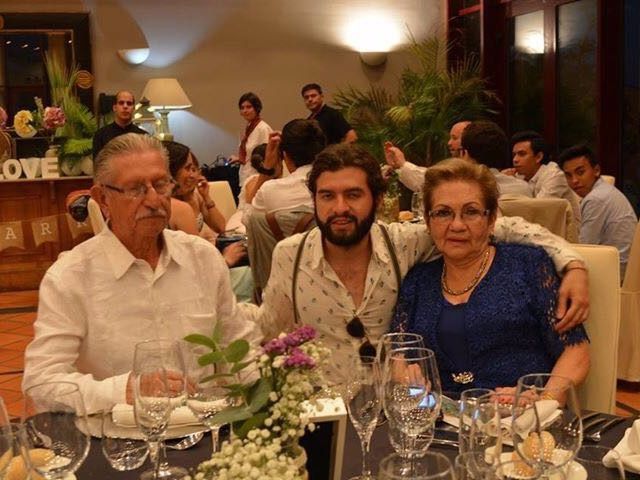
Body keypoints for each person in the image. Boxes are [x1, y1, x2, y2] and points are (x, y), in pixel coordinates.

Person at [250, 143, 589, 384]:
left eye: (353, 195)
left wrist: (573, 264)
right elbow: (269, 332)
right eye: (327, 196)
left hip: (395, 411)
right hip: (325, 412)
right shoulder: (290, 256)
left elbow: (500, 226)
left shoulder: (405, 246)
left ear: (378, 199)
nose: (340, 208)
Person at [22, 133, 261, 413]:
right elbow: (41, 382)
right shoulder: (71, 277)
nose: (153, 200)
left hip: (205, 434)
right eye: (135, 189)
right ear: (103, 198)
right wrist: (123, 390)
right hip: (116, 444)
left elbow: (240, 345)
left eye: (160, 184)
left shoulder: (203, 259)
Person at [391, 158, 589, 394]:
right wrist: (404, 375)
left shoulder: (528, 266)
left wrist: (545, 398)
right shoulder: (418, 280)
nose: (456, 225)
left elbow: (577, 350)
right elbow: (397, 353)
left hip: (522, 416)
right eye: (443, 213)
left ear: (492, 219)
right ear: (427, 220)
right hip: (440, 420)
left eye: (471, 212)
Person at [385, 121, 532, 197]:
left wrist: (401, 165)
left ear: (465, 153)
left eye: (455, 138)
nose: (449, 143)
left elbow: (429, 180)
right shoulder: (523, 188)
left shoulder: (463, 190)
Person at [560, 144, 637, 279]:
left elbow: (585, 249)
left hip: (617, 273)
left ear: (596, 170)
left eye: (580, 172)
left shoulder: (596, 199)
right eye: (568, 175)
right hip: (627, 266)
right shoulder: (604, 190)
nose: (574, 180)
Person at [242, 119, 325, 223]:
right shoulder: (335, 187)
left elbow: (247, 220)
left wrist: (266, 170)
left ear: (284, 155)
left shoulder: (269, 190)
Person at [506, 130, 580, 221]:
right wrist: (507, 181)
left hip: (568, 232)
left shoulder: (555, 175)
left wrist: (512, 183)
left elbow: (537, 210)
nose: (515, 160)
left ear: (538, 157)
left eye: (522, 154)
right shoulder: (518, 176)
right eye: (514, 155)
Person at [231, 92, 273, 185]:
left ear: (256, 108)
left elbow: (267, 156)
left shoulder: (263, 128)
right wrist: (239, 158)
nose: (245, 110)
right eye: (242, 108)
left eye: (249, 107)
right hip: (246, 175)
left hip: (257, 177)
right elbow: (249, 153)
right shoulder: (248, 127)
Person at [92, 90, 147, 158]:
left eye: (129, 103)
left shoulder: (143, 136)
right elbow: (98, 165)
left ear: (133, 109)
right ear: (114, 108)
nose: (125, 106)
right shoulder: (100, 136)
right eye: (121, 103)